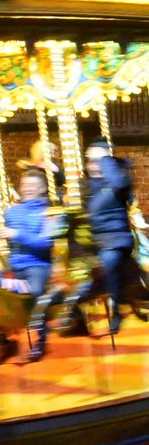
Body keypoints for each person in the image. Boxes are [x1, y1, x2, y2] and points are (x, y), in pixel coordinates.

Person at [0, 167, 56, 361]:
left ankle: (41, 340)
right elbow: (1, 239)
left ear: (42, 188)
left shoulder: (50, 212)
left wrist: (18, 234)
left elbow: (46, 243)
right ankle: (3, 340)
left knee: (36, 290)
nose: (27, 189)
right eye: (24, 185)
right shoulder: (12, 212)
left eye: (32, 185)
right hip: (15, 266)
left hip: (38, 265)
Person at [78, 140, 136, 335]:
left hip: (116, 237)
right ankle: (74, 312)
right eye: (90, 161)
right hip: (93, 240)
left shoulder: (119, 180)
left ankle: (116, 309)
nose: (92, 166)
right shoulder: (86, 185)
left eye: (98, 161)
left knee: (108, 259)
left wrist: (106, 161)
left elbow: (118, 184)